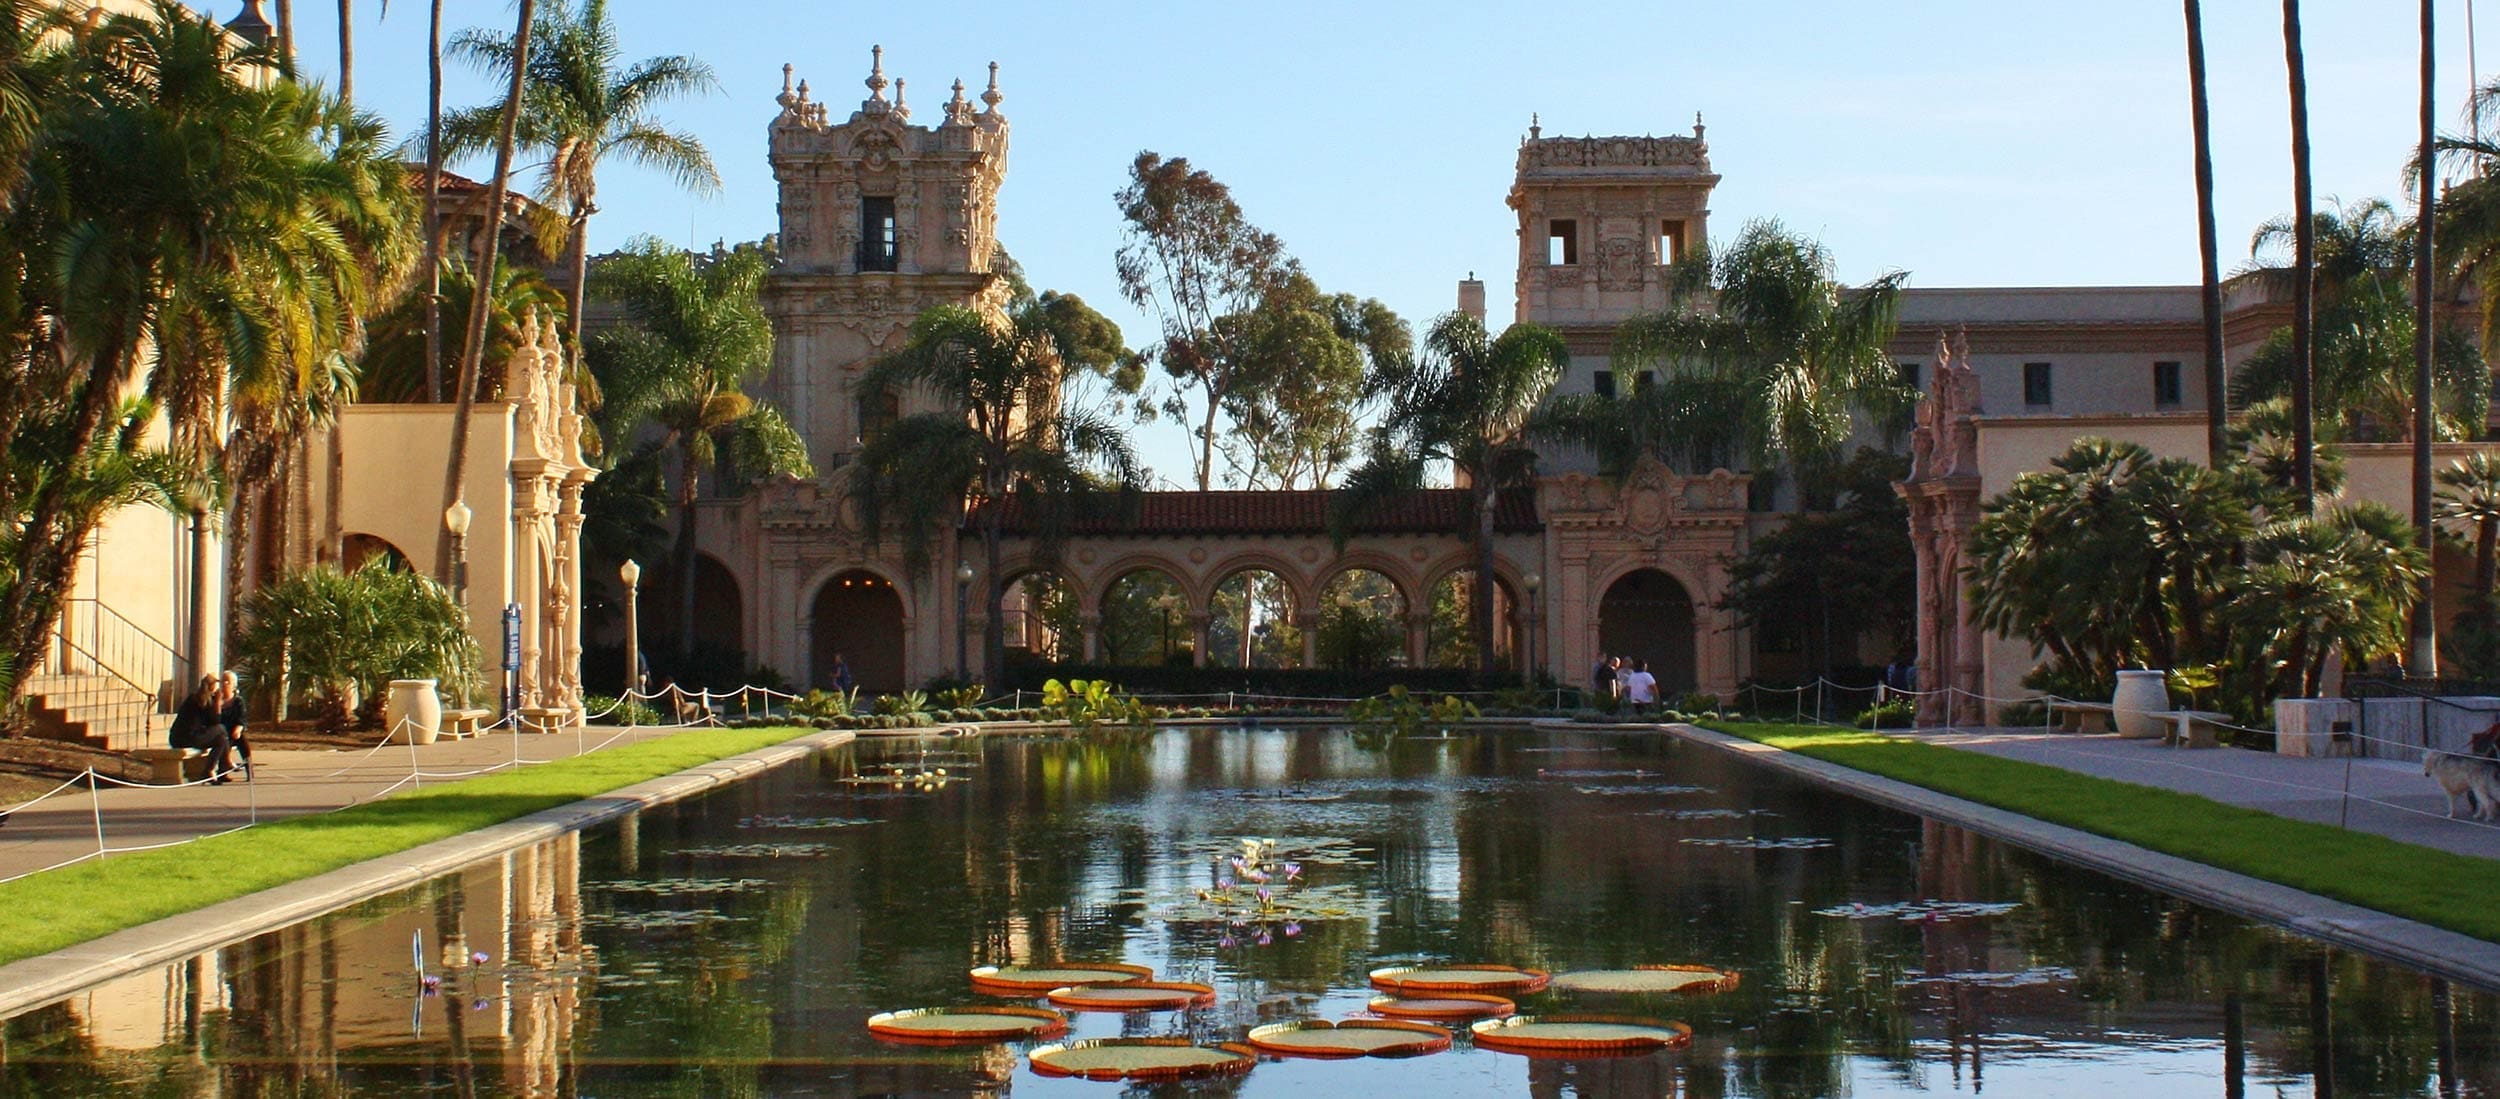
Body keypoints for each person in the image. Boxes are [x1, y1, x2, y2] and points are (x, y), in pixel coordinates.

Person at [167, 675, 236, 784]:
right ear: (213, 687)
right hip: (188, 737)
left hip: (178, 738)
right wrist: (218, 703)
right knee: (221, 729)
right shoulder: (203, 700)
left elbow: (208, 723)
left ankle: (213, 770)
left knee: (221, 740)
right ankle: (224, 764)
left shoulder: (194, 697)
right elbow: (215, 721)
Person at [217, 671, 251, 779]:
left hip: (234, 730)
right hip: (220, 731)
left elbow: (242, 718)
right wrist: (218, 703)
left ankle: (249, 770)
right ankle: (222, 773)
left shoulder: (238, 701)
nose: (225, 683)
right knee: (224, 742)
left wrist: (238, 729)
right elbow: (213, 718)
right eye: (223, 681)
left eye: (228, 681)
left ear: (234, 685)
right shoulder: (216, 699)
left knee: (243, 742)